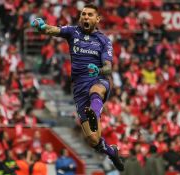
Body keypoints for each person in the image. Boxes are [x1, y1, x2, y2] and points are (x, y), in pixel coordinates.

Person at [31, 3, 124, 171]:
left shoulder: (104, 40)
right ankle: (112, 152)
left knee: (96, 90)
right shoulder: (73, 32)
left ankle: (94, 113)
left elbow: (109, 68)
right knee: (93, 140)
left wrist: (99, 69)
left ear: (97, 19)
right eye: (83, 14)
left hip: (98, 78)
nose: (86, 17)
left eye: (89, 15)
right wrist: (41, 26)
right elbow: (53, 30)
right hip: (79, 87)